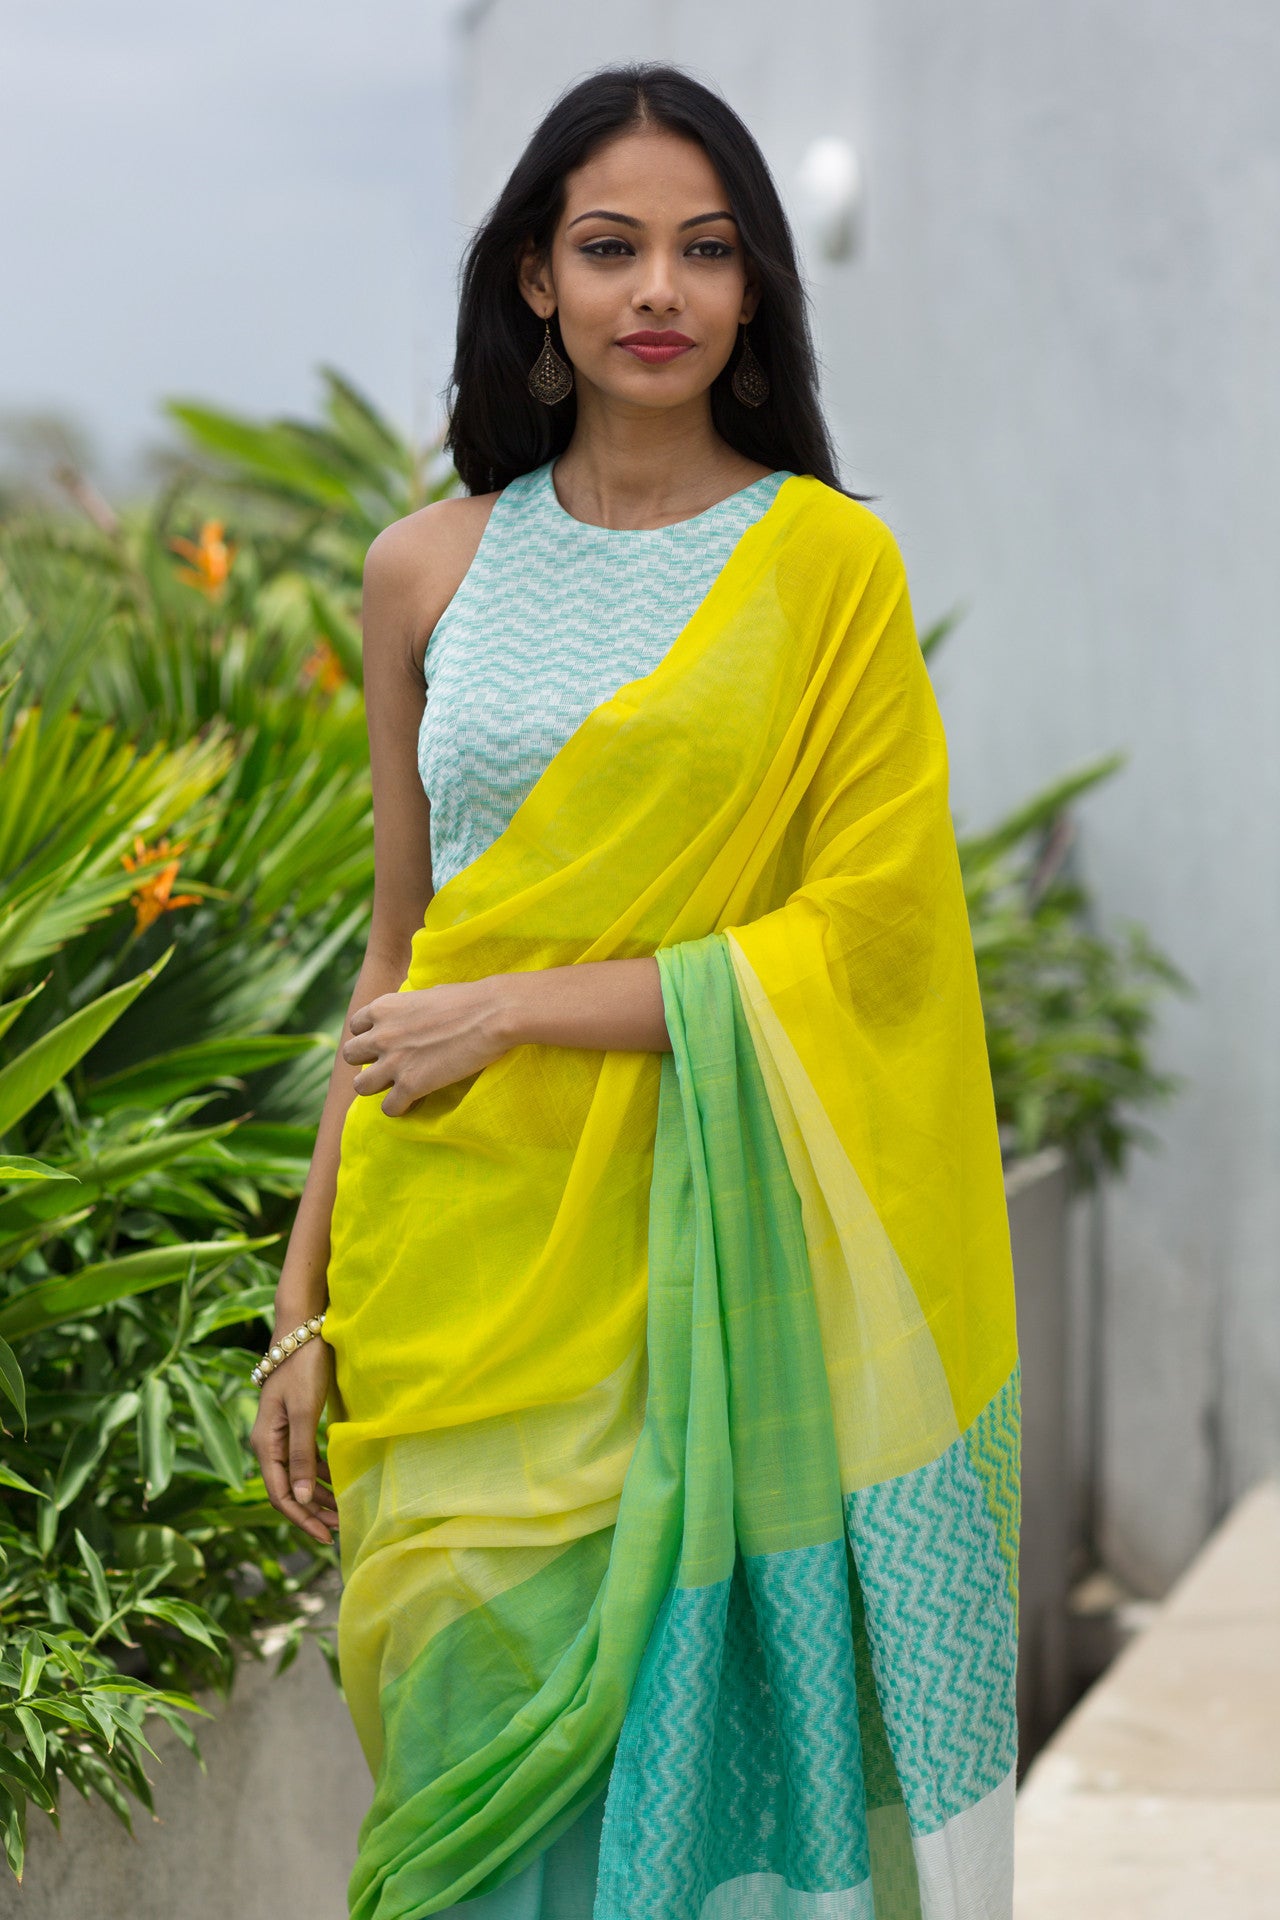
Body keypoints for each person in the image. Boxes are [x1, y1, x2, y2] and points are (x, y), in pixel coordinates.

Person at [250, 61, 1021, 1920]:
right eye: (611, 248)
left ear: (757, 290)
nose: (658, 290)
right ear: (537, 277)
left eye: (708, 249)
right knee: (465, 1800)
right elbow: (399, 954)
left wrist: (520, 1011)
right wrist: (301, 1298)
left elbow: (875, 942)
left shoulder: (826, 566)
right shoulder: (420, 569)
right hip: (455, 1266)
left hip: (705, 1279)